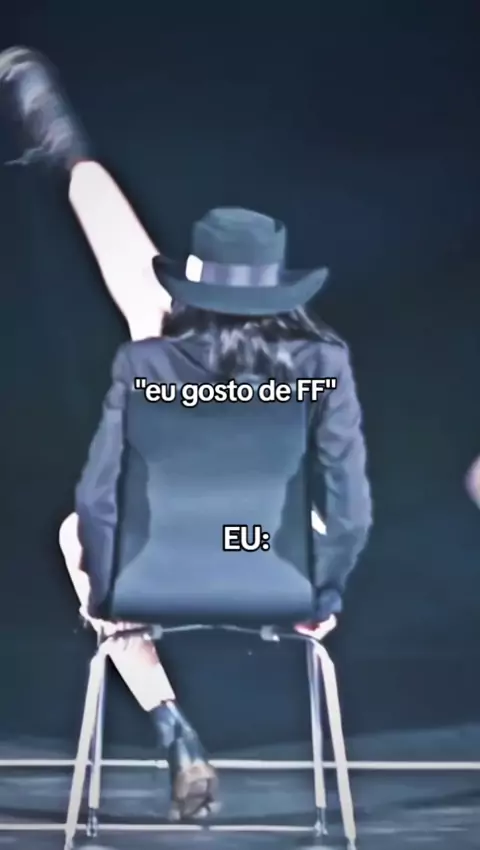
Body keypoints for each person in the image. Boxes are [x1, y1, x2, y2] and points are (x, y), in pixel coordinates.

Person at [0, 46, 373, 821]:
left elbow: (100, 493)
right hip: (268, 571)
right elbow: (349, 500)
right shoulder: (316, 364)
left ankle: (170, 722)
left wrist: (58, 134)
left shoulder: (155, 340)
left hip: (159, 571)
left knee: (82, 535)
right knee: (291, 517)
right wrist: (324, 588)